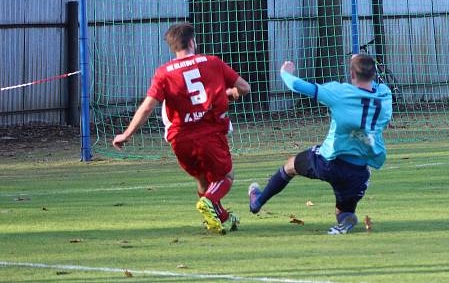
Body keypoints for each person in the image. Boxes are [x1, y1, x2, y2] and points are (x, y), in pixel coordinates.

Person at [113, 22, 250, 234]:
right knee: (226, 176)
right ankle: (210, 202)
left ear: (172, 47)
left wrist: (127, 133)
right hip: (209, 133)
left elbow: (148, 106)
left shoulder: (163, 73)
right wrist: (231, 93)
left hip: (180, 139)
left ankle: (222, 218)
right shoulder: (212, 62)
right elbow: (244, 87)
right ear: (192, 41)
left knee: (203, 179)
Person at [249, 54, 392, 235]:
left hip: (328, 162)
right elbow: (376, 86)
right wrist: (362, 63)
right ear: (373, 74)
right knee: (344, 212)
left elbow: (296, 85)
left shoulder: (339, 92)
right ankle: (346, 221)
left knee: (290, 166)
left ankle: (257, 202)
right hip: (358, 171)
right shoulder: (386, 96)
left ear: (352, 75)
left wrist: (285, 72)